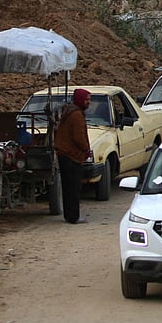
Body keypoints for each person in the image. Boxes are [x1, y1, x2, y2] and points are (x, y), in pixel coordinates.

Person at [54, 88, 93, 225]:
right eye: (87, 99)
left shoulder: (70, 112)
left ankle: (69, 215)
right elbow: (78, 137)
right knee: (74, 188)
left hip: (65, 154)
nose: (89, 102)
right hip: (72, 156)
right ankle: (73, 216)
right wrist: (86, 149)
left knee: (68, 187)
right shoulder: (76, 115)